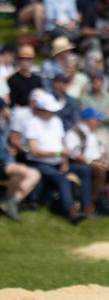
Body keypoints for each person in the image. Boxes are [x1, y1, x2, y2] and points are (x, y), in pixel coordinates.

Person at [23, 91, 93, 221]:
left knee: (84, 170)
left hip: (58, 162)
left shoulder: (56, 121)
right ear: (41, 110)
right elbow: (34, 151)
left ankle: (87, 206)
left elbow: (62, 144)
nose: (53, 113)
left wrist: (64, 161)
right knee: (61, 179)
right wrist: (57, 154)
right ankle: (70, 210)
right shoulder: (32, 124)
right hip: (39, 163)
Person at [0, 99, 42, 221]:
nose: (6, 112)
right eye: (4, 110)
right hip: (3, 163)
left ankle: (10, 201)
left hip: (5, 163)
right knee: (22, 170)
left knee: (33, 173)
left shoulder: (4, 125)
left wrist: (7, 150)